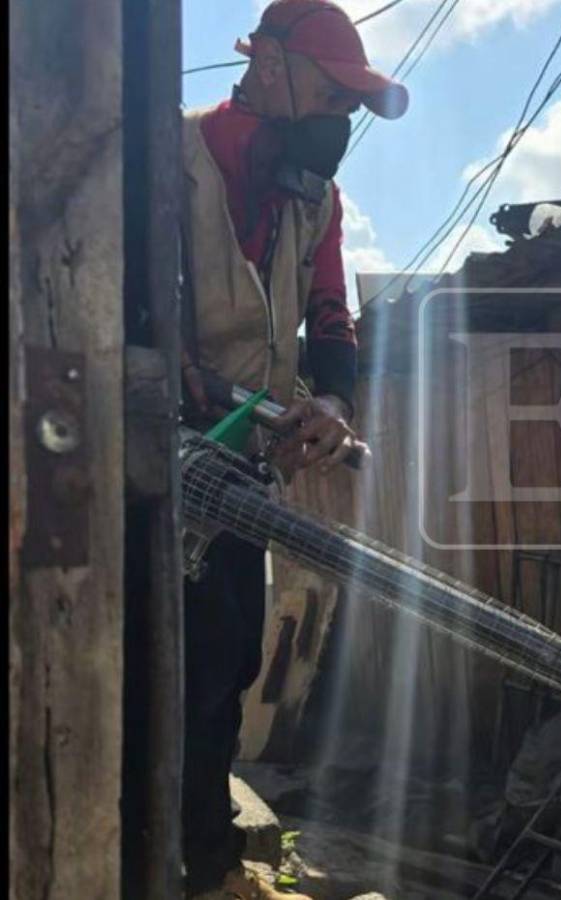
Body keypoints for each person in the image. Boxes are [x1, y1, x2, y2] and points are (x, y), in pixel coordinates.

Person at [178, 3, 406, 896]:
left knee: (227, 661)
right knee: (154, 656)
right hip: (154, 452)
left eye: (353, 102)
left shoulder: (319, 199)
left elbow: (330, 315)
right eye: (332, 90)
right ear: (268, 66)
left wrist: (336, 400)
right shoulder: (173, 155)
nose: (340, 117)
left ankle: (206, 863)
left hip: (240, 466)